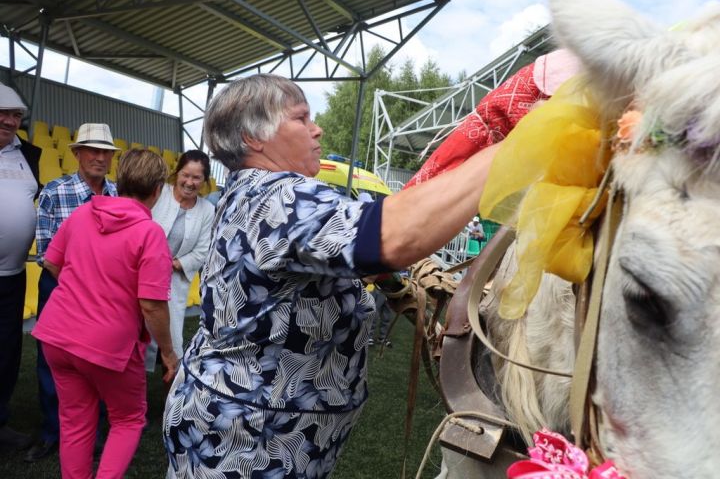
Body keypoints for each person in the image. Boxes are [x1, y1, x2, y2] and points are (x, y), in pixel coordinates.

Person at [161, 73, 498, 478]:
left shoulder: (249, 190)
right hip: (250, 441)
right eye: (301, 118)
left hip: (242, 423)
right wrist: (509, 149)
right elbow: (398, 237)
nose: (316, 128)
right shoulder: (279, 195)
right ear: (254, 138)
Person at [31, 149, 179, 478]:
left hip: (57, 335)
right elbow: (152, 305)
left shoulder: (82, 215)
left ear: (120, 179)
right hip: (108, 346)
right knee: (128, 419)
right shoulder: (149, 232)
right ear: (157, 189)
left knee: (75, 422)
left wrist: (85, 288)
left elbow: (52, 262)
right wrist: (168, 353)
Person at [27, 123, 120, 462]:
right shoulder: (54, 191)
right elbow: (46, 252)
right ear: (78, 153)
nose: (99, 157)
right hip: (61, 285)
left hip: (105, 290)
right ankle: (55, 432)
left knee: (99, 361)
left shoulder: (118, 195)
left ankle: (95, 432)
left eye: (105, 152)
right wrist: (86, 280)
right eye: (92, 150)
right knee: (51, 362)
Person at [144, 150, 214, 374]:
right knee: (134, 342)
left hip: (174, 284)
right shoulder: (158, 192)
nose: (190, 182)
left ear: (204, 181)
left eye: (197, 178)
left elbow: (202, 251)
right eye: (186, 175)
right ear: (177, 173)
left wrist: (173, 264)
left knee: (173, 349)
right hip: (141, 278)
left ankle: (170, 406)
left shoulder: (207, 210)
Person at [0, 83, 41, 453]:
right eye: (3, 112)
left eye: (16, 115)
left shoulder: (28, 154)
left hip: (12, 277)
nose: (10, 120)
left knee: (7, 349)